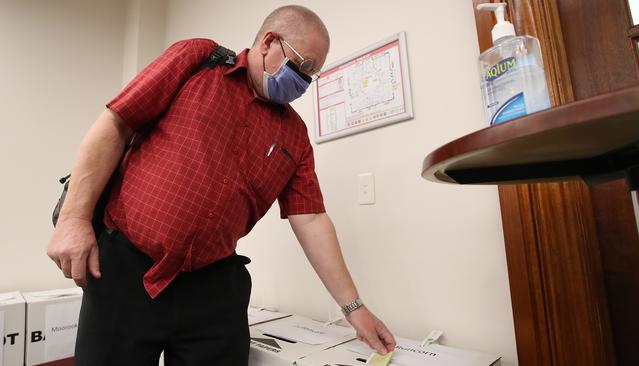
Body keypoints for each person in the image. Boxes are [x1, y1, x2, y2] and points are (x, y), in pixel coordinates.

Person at [47, 5, 395, 365]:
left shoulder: (295, 134)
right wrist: (73, 218)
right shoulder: (198, 59)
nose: (305, 81)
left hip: (212, 289)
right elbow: (116, 123)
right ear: (269, 42)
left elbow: (311, 219)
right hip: (126, 272)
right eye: (302, 66)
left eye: (314, 74)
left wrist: (355, 309)